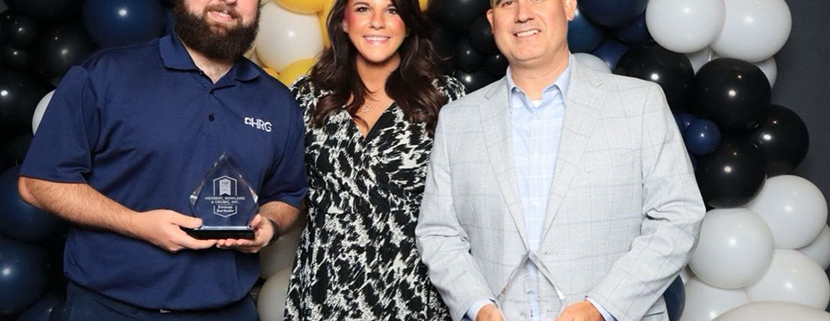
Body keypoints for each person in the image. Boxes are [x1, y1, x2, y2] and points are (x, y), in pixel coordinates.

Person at [415, 0, 706, 320]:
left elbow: (678, 217)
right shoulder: (458, 120)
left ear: (568, 6)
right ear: (492, 19)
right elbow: (438, 233)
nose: (522, 13)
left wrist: (601, 307)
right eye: (507, 3)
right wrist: (478, 308)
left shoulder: (639, 104)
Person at [17, 0, 307, 320]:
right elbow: (38, 182)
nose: (228, 1)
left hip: (226, 311)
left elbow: (287, 195)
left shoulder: (279, 103)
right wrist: (137, 224)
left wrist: (270, 225)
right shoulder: (105, 74)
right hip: (107, 308)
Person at [282, 0, 465, 320]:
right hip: (325, 298)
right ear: (343, 21)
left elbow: (470, 209)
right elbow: (284, 190)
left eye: (392, 10)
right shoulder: (307, 96)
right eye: (364, 8)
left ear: (407, 24)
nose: (377, 22)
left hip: (413, 297)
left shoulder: (445, 99)